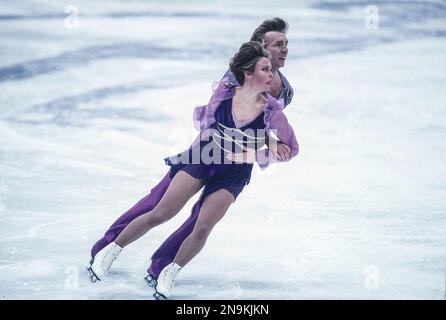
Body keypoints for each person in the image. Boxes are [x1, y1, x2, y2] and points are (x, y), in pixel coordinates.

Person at [87, 41, 299, 299]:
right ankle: (110, 251)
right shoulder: (225, 92)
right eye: (266, 70)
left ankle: (169, 273)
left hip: (234, 172)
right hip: (204, 156)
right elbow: (206, 119)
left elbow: (291, 148)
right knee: (161, 212)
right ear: (248, 73)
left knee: (203, 226)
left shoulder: (272, 111)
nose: (271, 76)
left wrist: (257, 149)